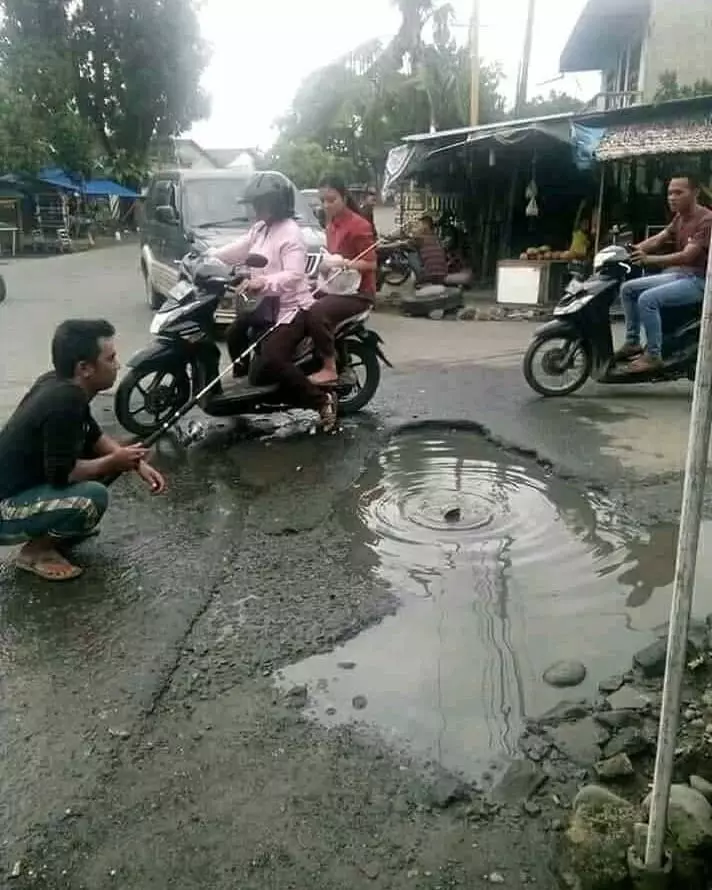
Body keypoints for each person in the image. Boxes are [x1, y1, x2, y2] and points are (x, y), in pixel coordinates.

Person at [0, 319, 167, 581]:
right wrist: (114, 461)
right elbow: (61, 474)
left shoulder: (59, 383)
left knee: (101, 459)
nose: (117, 365)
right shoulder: (64, 401)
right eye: (110, 358)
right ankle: (36, 551)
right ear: (85, 368)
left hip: (20, 488)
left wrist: (135, 463)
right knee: (92, 498)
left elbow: (93, 435)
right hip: (4, 510)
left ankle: (58, 527)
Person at [214, 171, 337, 429]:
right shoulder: (260, 228)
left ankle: (321, 401)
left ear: (278, 203)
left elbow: (293, 275)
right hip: (262, 304)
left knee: (273, 359)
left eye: (261, 203)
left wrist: (264, 282)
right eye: (254, 203)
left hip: (290, 308)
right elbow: (239, 249)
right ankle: (243, 383)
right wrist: (207, 257)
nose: (256, 208)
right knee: (234, 332)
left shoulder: (291, 233)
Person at [616, 174, 712, 373]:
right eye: (669, 193)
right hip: (681, 275)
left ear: (695, 193)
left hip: (700, 281)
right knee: (627, 289)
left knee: (647, 299)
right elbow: (658, 240)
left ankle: (653, 355)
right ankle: (632, 342)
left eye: (678, 192)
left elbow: (687, 256)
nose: (672, 198)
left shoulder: (706, 220)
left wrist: (649, 259)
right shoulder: (680, 217)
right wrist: (628, 252)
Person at [307, 176, 378, 386]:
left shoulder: (359, 226)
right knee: (299, 299)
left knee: (316, 311)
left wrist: (345, 263)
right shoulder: (330, 226)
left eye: (331, 199)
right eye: (323, 201)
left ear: (344, 197)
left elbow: (371, 264)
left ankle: (329, 368)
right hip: (338, 287)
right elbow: (331, 257)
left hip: (358, 293)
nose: (326, 205)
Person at [409, 214, 448, 286]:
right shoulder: (436, 238)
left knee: (411, 255)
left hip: (429, 275)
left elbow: (405, 243)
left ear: (425, 226)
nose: (416, 228)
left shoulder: (419, 238)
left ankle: (421, 279)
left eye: (418, 226)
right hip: (443, 275)